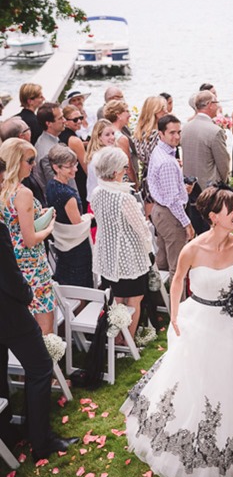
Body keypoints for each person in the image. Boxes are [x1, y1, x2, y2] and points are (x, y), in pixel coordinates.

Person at [120, 185, 233, 477]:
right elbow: (178, 279)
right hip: (198, 323)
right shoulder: (191, 249)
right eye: (230, 208)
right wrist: (176, 318)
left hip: (231, 327)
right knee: (196, 385)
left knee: (231, 382)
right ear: (212, 216)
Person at [0, 157, 79, 463]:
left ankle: (8, 433)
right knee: (40, 368)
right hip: (9, 312)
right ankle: (41, 442)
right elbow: (10, 277)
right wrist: (25, 294)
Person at [91, 146, 153, 341]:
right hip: (128, 255)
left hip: (108, 253)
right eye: (125, 167)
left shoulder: (97, 191)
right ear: (117, 171)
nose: (126, 171)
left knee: (117, 298)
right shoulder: (123, 197)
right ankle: (127, 341)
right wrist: (148, 246)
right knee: (135, 298)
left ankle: (116, 338)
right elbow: (140, 227)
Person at [0, 139, 56, 335]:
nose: (34, 165)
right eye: (30, 160)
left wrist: (38, 214)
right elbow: (29, 239)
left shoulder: (4, 190)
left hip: (9, 264)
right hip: (31, 265)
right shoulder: (23, 193)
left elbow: (13, 224)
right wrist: (49, 227)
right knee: (44, 327)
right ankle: (46, 364)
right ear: (15, 161)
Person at [148, 115, 194, 292]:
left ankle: (159, 300)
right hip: (169, 214)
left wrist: (181, 187)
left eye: (179, 132)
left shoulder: (160, 151)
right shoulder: (166, 161)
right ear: (161, 134)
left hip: (159, 211)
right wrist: (187, 223)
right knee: (178, 267)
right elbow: (172, 201)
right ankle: (178, 308)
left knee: (163, 261)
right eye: (172, 133)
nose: (176, 137)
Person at [46, 145, 93, 288]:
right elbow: (77, 224)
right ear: (56, 167)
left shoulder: (51, 185)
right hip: (76, 248)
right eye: (69, 166)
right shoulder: (67, 195)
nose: (75, 169)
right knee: (80, 288)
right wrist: (89, 217)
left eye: (75, 164)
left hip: (63, 246)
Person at [180, 90, 230, 190]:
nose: (218, 106)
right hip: (209, 186)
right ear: (210, 105)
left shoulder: (185, 128)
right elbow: (223, 162)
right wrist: (222, 183)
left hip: (189, 186)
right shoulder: (215, 131)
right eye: (216, 102)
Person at [133, 95, 168, 215]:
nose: (166, 111)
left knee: (149, 208)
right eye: (162, 108)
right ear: (154, 111)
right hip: (159, 175)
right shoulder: (157, 135)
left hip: (146, 174)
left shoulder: (139, 133)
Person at [0, 117, 46, 206]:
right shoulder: (21, 188)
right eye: (30, 160)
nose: (34, 164)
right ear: (22, 136)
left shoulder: (6, 183)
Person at [103, 99, 139, 188]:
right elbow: (128, 167)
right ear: (118, 115)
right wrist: (136, 184)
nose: (130, 115)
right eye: (126, 111)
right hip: (122, 181)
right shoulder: (121, 138)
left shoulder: (105, 133)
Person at [60, 104, 88, 211]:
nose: (79, 121)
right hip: (80, 179)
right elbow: (85, 166)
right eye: (75, 120)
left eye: (81, 118)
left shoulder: (60, 135)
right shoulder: (75, 140)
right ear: (66, 121)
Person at [34, 102, 66, 192]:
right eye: (60, 118)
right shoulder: (48, 153)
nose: (64, 120)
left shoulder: (48, 141)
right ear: (49, 123)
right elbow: (56, 185)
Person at [85, 119, 116, 206]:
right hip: (102, 203)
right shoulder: (102, 157)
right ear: (98, 137)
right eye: (107, 135)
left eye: (113, 133)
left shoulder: (96, 154)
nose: (112, 137)